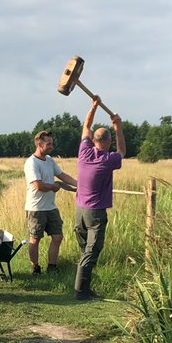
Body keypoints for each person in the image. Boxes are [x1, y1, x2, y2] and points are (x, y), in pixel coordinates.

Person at [74, 97, 126, 300]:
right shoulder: (108, 159)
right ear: (107, 141)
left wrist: (93, 107)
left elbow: (86, 125)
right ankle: (82, 293)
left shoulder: (84, 152)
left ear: (94, 141)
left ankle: (84, 288)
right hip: (95, 213)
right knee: (91, 251)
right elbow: (123, 151)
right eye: (110, 139)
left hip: (79, 210)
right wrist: (118, 126)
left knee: (85, 251)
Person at [24, 130, 77, 274]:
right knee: (35, 239)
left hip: (50, 207)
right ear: (39, 145)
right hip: (36, 208)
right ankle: (35, 267)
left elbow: (62, 175)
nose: (51, 146)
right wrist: (53, 186)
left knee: (57, 237)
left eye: (52, 143)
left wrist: (80, 185)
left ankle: (52, 267)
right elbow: (38, 185)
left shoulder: (50, 160)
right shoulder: (31, 163)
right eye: (48, 144)